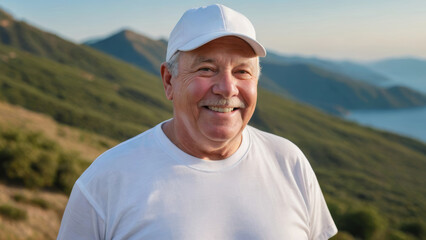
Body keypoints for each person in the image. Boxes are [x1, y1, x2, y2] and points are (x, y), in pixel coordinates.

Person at [57, 4, 337, 240]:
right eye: (206, 69)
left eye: (242, 71)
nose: (227, 88)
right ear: (169, 80)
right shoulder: (105, 181)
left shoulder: (290, 162)